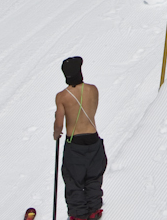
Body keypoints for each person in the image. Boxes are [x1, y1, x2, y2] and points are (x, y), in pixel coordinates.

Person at [53, 56, 106, 220]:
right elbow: (93, 109)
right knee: (93, 177)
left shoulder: (62, 96)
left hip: (74, 144)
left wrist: (56, 133)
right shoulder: (93, 89)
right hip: (93, 140)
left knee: (73, 179)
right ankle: (94, 210)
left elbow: (59, 123)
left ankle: (78, 215)